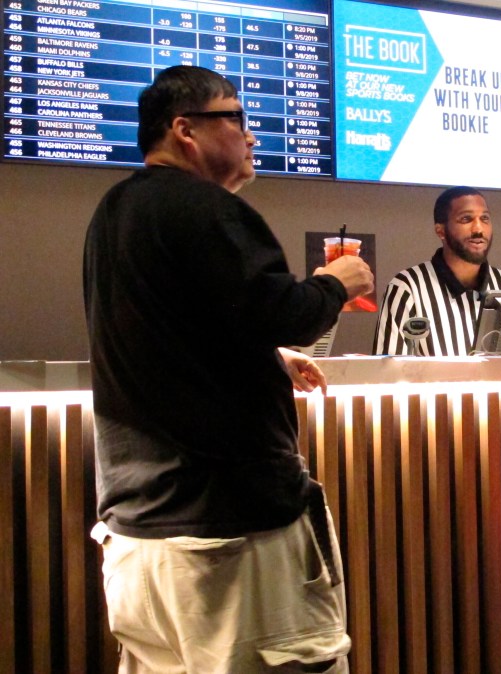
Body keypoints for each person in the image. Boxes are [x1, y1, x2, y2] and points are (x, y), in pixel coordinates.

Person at [83, 65, 373, 673]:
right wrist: (334, 284)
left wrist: (266, 355)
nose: (250, 135)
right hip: (230, 537)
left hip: (137, 537)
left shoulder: (115, 211)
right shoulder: (206, 207)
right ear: (185, 129)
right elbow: (287, 312)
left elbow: (171, 332)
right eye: (236, 118)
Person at [372, 185, 501, 356]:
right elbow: (388, 372)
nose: (478, 229)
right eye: (466, 219)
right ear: (441, 231)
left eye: (485, 218)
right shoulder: (407, 288)